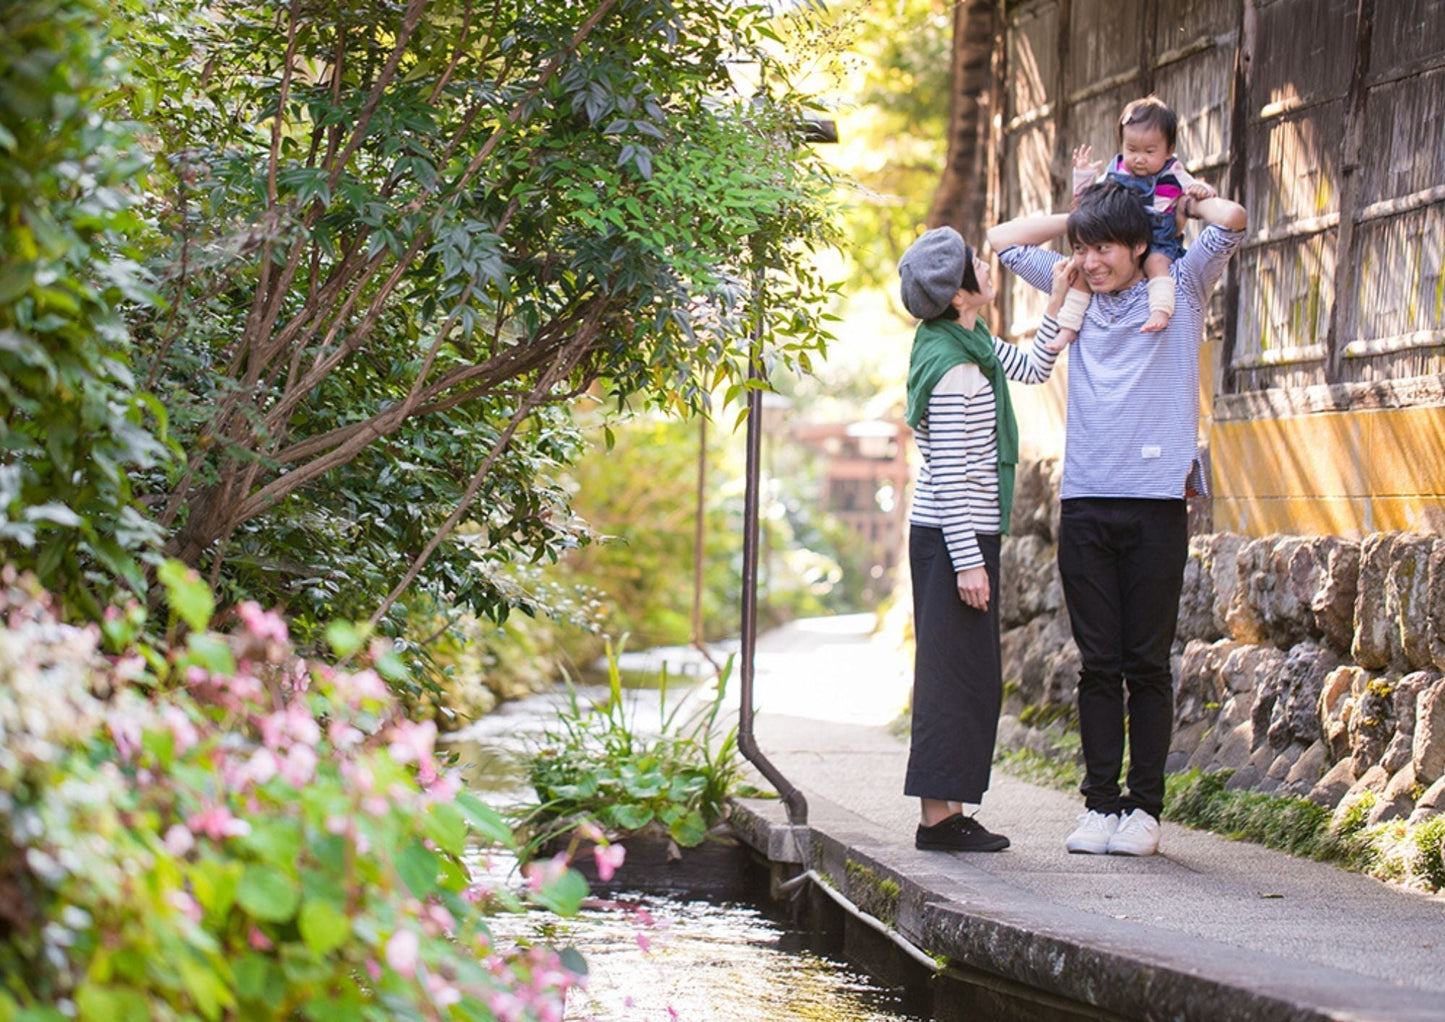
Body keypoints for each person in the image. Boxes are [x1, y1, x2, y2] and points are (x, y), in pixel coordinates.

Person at [986, 180, 1246, 857]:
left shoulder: (1180, 289)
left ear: (1137, 246)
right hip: (1085, 504)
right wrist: (1077, 226)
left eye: (1103, 247)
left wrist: (1182, 202)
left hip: (1156, 503)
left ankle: (1144, 812)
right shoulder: (1075, 287)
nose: (1090, 260)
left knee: (1146, 662)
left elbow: (1233, 221)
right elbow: (1001, 240)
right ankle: (1099, 806)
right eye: (1081, 248)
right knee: (1097, 663)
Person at [898, 225, 1079, 853]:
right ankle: (937, 821)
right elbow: (945, 471)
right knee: (953, 676)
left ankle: (947, 813)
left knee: (969, 675)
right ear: (959, 295)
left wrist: (1057, 302)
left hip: (965, 532)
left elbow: (1030, 367)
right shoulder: (952, 369)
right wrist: (968, 565)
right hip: (954, 537)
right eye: (976, 263)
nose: (987, 261)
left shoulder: (967, 339)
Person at [1071, 95, 1216, 332]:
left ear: (1169, 150)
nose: (1139, 159)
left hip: (1158, 239)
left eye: (1149, 151)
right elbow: (1088, 202)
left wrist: (1202, 190)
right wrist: (1083, 176)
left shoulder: (1173, 172)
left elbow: (1201, 190)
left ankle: (1160, 309)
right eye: (1131, 149)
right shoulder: (1116, 170)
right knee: (1079, 273)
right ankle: (1068, 325)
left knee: (1156, 265)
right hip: (1118, 238)